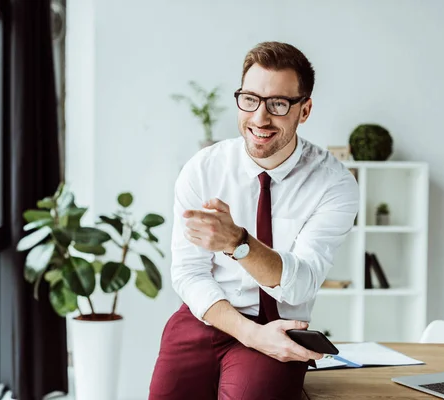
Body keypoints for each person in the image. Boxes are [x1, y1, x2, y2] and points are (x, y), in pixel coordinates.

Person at [148, 41, 359, 400]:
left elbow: (300, 285)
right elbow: (189, 272)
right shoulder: (203, 169)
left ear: (304, 110)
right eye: (250, 99)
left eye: (278, 104)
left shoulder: (334, 184)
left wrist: (238, 244)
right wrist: (248, 333)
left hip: (277, 324)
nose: (260, 118)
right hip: (208, 314)